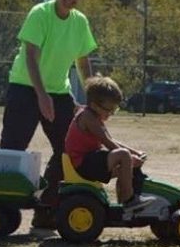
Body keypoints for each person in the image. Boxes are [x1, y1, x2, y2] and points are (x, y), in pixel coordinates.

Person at [0, 0, 97, 228]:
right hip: (25, 88)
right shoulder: (40, 13)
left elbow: (83, 61)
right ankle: (0, 211)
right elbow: (31, 57)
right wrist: (41, 96)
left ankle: (46, 209)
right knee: (13, 148)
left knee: (68, 149)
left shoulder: (80, 22)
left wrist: (93, 97)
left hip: (59, 91)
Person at [64, 75, 153, 211]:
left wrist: (135, 152)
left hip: (90, 160)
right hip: (83, 163)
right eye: (108, 109)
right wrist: (129, 156)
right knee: (123, 156)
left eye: (114, 110)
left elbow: (110, 139)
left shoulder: (94, 115)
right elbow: (107, 142)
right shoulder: (88, 117)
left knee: (125, 165)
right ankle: (130, 200)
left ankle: (124, 199)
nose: (111, 113)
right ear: (94, 105)